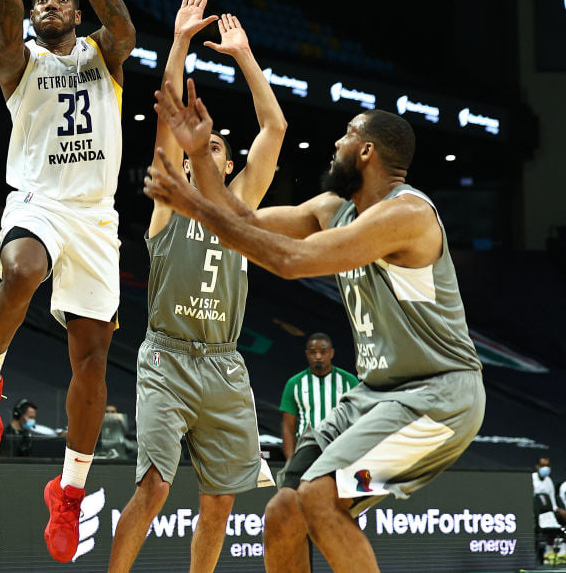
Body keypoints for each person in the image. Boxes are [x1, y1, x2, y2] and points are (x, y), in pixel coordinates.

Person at [144, 85, 485, 573]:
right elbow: (241, 220)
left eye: (345, 136)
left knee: (321, 497)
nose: (335, 145)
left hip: (439, 400)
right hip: (378, 395)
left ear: (366, 151)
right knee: (284, 511)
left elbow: (289, 260)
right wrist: (199, 157)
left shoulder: (407, 214)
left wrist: (194, 204)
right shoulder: (333, 208)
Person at [0, 0, 135, 564]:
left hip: (96, 217)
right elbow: (5, 38)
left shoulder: (103, 54)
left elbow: (123, 25)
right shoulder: (21, 62)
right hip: (39, 200)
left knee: (93, 362)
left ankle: (68, 491)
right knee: (24, 269)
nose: (53, 2)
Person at [109, 0, 286, 573]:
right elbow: (167, 110)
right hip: (167, 357)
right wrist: (181, 41)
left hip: (225, 363)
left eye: (214, 146)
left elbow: (275, 126)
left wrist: (244, 57)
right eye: (194, 145)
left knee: (220, 502)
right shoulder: (169, 200)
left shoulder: (241, 207)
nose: (201, 148)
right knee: (155, 488)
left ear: (229, 165)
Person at [280, 333, 359, 460]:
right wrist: (290, 460)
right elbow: (288, 426)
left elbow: (359, 419)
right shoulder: (294, 383)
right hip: (306, 451)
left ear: (332, 353)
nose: (318, 356)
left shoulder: (349, 381)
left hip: (341, 450)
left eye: (323, 352)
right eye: (313, 352)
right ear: (307, 354)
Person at [533, 456, 566, 565]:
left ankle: (556, 551)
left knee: (563, 516)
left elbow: (552, 502)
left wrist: (559, 511)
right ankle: (549, 551)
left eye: (547, 465)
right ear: (537, 466)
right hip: (536, 514)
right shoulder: (532, 479)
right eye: (543, 466)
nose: (545, 468)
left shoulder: (549, 481)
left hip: (549, 514)